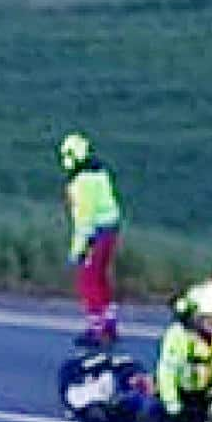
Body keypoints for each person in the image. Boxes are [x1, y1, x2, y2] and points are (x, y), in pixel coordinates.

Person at [59, 134, 123, 344]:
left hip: (94, 235)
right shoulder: (100, 174)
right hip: (110, 230)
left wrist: (76, 251)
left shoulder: (81, 183)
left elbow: (84, 221)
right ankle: (109, 322)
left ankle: (97, 329)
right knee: (101, 278)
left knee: (88, 281)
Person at [152, 284, 212, 422]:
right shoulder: (178, 336)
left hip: (203, 394)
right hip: (180, 397)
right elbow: (167, 374)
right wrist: (173, 406)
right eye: (210, 318)